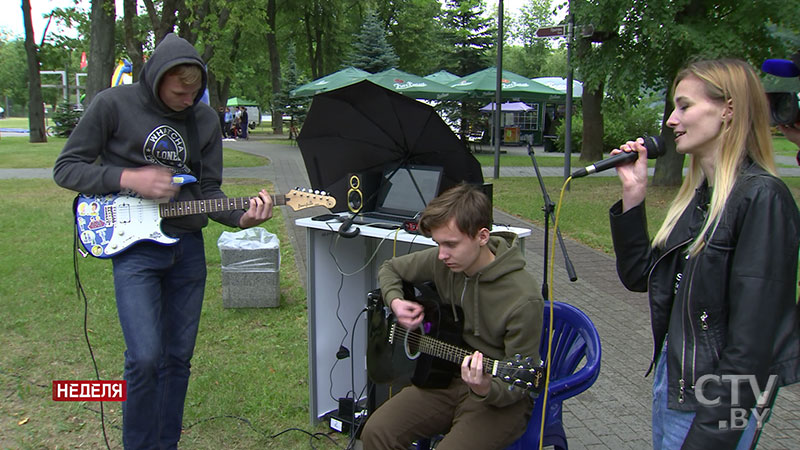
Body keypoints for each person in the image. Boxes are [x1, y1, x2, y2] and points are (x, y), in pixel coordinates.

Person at [52, 33, 274, 449]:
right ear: (156, 79)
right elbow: (66, 168)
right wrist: (126, 177)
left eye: (195, 92)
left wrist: (241, 217)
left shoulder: (204, 120)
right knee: (145, 358)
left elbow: (209, 191)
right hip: (136, 251)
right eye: (179, 91)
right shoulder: (112, 105)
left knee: (177, 360)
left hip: (187, 251)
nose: (189, 99)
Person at [608, 58, 800, 449]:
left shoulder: (762, 198)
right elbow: (640, 276)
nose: (671, 120)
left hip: (716, 399)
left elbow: (753, 346)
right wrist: (633, 195)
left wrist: (714, 433)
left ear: (728, 109)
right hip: (674, 380)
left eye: (684, 106)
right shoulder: (701, 198)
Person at [361, 183, 543, 450]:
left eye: (450, 244)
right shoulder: (444, 261)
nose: (442, 255)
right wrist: (396, 302)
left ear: (482, 236)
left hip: (498, 398)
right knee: (376, 432)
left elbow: (518, 386)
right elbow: (390, 268)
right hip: (444, 376)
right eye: (437, 244)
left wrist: (484, 388)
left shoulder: (523, 299)